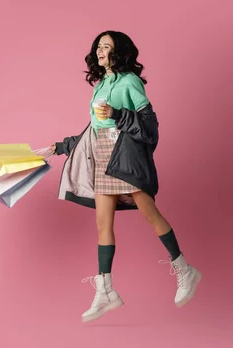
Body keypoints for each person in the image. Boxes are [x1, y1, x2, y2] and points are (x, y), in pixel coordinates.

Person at [51, 30, 201, 323]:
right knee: (102, 223)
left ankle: (185, 270)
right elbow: (93, 130)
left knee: (149, 213)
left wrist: (118, 114)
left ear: (119, 52)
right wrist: (60, 147)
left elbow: (149, 127)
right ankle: (106, 289)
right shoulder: (103, 83)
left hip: (125, 156)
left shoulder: (130, 82)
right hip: (103, 155)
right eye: (98, 46)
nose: (100, 50)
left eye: (106, 46)